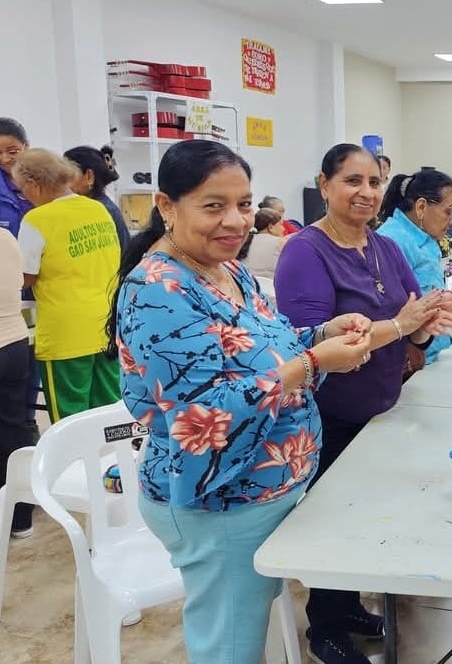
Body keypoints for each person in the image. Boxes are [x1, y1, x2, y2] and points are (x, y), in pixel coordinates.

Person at [109, 139, 375, 664]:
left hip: (262, 490)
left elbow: (266, 349)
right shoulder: (158, 289)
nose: (235, 221)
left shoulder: (228, 269)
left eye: (245, 204)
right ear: (166, 206)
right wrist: (313, 363)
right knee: (228, 646)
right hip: (220, 499)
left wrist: (322, 334)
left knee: (245, 627)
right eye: (214, 206)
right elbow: (200, 414)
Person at [275, 143, 452, 664]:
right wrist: (400, 325)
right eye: (352, 181)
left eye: (374, 182)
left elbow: (412, 326)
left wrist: (425, 327)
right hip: (328, 415)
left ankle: (349, 606)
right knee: (331, 519)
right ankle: (326, 628)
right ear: (324, 184)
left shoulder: (385, 248)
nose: (366, 192)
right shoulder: (305, 251)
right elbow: (309, 345)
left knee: (365, 517)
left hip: (383, 409)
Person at [13, 149, 121, 423]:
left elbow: (25, 277)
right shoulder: (98, 208)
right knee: (110, 416)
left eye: (22, 189)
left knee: (70, 420)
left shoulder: (37, 220)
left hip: (65, 335)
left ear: (34, 184)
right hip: (107, 324)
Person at [378, 169, 452, 363]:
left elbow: (425, 295)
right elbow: (389, 313)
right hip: (408, 362)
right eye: (448, 211)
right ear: (421, 207)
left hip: (431, 353)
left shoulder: (426, 238)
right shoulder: (392, 241)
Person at [0, 216, 38, 552]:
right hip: (15, 346)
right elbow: (18, 282)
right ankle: (21, 520)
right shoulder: (4, 237)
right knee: (12, 434)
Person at [0, 118, 38, 428]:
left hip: (38, 279)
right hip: (4, 284)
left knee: (30, 355)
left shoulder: (41, 177)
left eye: (12, 151)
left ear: (26, 146)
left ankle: (25, 418)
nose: (4, 158)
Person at [64, 145, 131, 251]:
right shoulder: (80, 206)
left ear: (89, 176)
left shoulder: (103, 210)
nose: (63, 183)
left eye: (68, 176)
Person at [238, 207, 287, 277]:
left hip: (248, 282)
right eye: (281, 225)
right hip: (272, 283)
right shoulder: (281, 243)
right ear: (271, 227)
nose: (283, 229)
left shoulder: (244, 241)